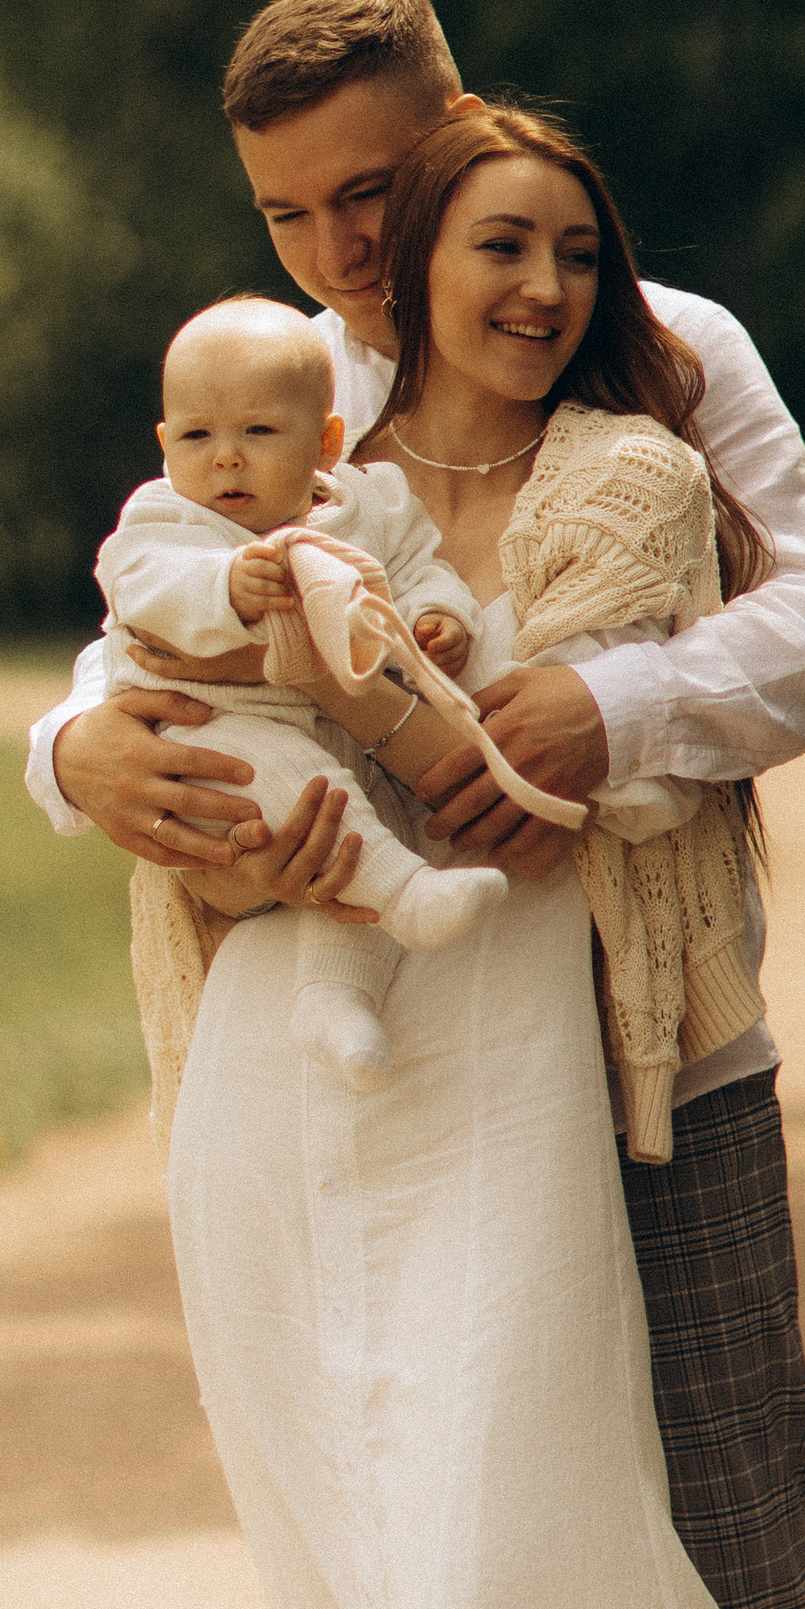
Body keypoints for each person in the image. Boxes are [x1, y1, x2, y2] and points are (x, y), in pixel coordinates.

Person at [25, 0, 805, 1609]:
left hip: (647, 1032)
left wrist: (600, 705)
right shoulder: (283, 385)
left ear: (456, 126)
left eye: (363, 189)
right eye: (289, 207)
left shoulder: (656, 351)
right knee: (376, 1530)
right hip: (383, 1062)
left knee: (719, 1507)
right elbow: (150, 607)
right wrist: (68, 760)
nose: (339, 242)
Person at [98, 293, 503, 1095]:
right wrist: (225, 587)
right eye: (196, 436)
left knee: (363, 813)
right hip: (214, 729)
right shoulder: (166, 517)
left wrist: (435, 618)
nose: (225, 459)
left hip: (333, 728)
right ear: (164, 443)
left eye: (257, 432)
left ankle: (335, 1000)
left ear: (325, 442)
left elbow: (422, 569)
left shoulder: (372, 506)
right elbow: (138, 582)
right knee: (304, 784)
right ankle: (409, 897)